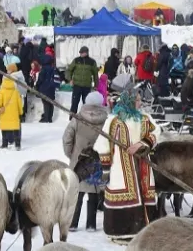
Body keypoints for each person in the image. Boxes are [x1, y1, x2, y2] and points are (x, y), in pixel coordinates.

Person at [95, 86, 160, 241]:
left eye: (139, 99)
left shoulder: (145, 118)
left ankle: (143, 229)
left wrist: (141, 144)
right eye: (136, 100)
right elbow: (102, 144)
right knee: (122, 193)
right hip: (119, 166)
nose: (140, 102)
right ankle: (121, 232)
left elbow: (156, 132)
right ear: (128, 101)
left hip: (142, 163)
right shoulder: (114, 120)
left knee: (144, 194)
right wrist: (105, 169)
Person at [64, 91, 108, 231]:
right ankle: (91, 224)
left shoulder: (77, 118)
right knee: (94, 191)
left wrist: (71, 155)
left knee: (77, 192)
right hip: (98, 161)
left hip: (79, 162)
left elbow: (67, 138)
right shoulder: (106, 120)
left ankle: (73, 223)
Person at [0, 63, 25, 149]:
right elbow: (19, 102)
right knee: (16, 128)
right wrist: (21, 112)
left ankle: (5, 144)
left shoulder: (2, 90)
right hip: (14, 112)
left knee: (4, 128)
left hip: (4, 113)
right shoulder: (15, 90)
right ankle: (17, 145)